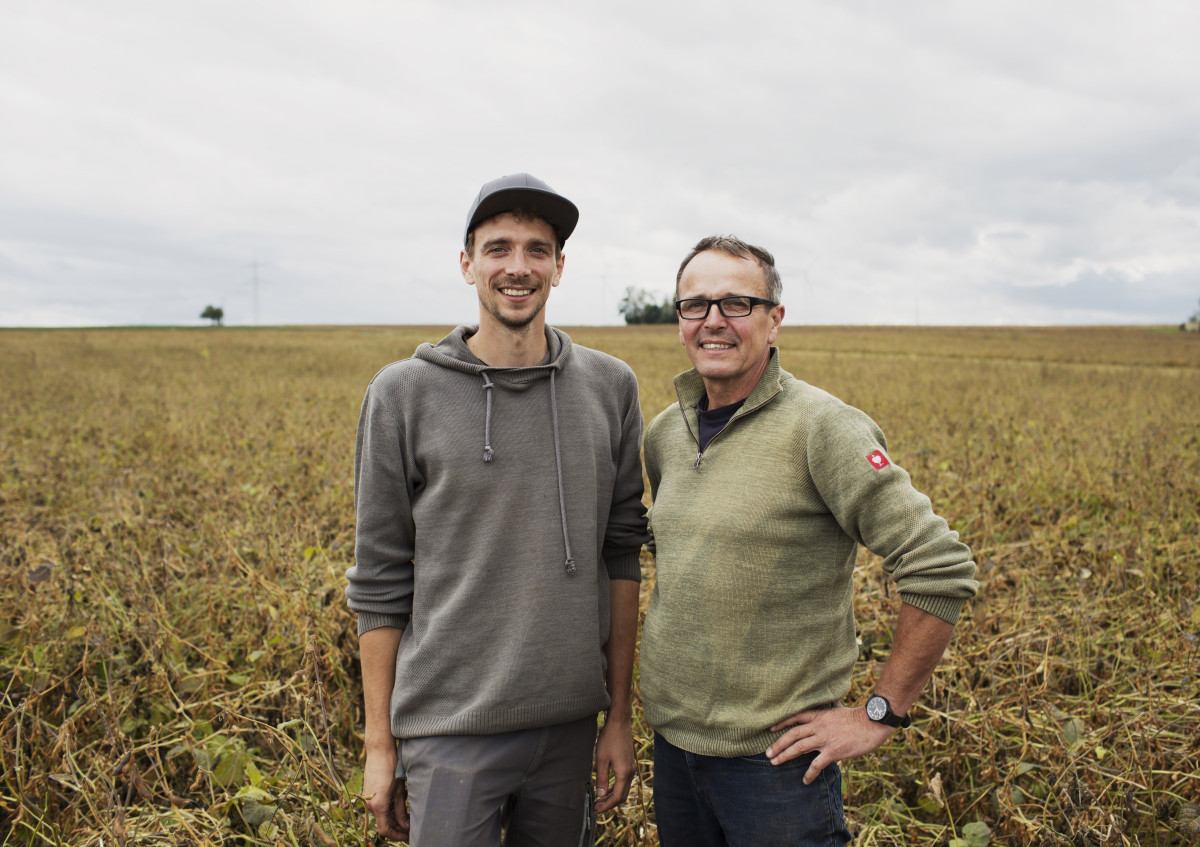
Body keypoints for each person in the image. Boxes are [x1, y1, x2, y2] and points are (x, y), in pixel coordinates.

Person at [639, 235, 980, 846]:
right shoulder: (666, 433)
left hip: (774, 767)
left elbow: (940, 567)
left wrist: (881, 712)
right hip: (673, 750)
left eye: (737, 304)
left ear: (774, 320)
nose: (714, 321)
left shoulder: (823, 427)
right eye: (696, 305)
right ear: (679, 322)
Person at [345, 173, 649, 846]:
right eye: (498, 248)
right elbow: (379, 579)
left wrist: (619, 718)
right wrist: (379, 744)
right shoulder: (403, 394)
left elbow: (622, 555)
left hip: (569, 730)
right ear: (467, 263)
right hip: (450, 731)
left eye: (538, 250)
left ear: (560, 267)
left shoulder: (610, 388)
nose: (518, 267)